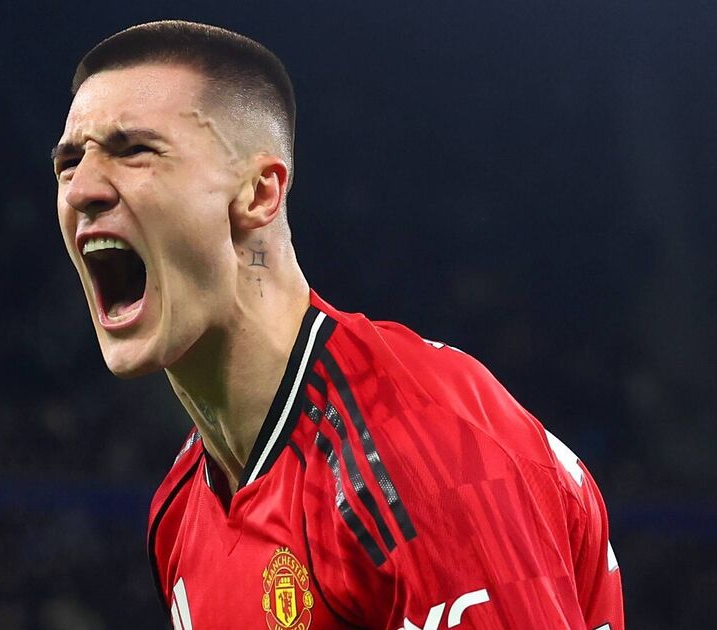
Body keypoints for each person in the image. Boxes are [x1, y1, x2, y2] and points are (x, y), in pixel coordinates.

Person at [54, 20, 624, 630]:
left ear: (258, 195)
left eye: (134, 150)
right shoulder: (180, 509)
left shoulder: (421, 453)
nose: (81, 188)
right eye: (68, 162)